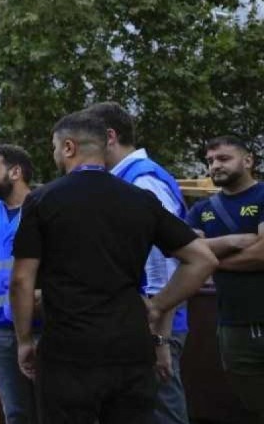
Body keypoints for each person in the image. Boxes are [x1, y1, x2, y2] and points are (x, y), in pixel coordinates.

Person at [9, 112, 217, 424]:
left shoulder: (42, 201)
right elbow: (202, 258)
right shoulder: (140, 199)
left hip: (68, 350)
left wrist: (24, 340)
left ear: (68, 147)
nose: (53, 155)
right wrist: (158, 305)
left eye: (54, 147)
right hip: (129, 348)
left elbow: (22, 281)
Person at [86, 102, 191, 424]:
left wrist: (157, 330)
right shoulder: (128, 179)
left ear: (110, 137)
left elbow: (163, 263)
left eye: (87, 142)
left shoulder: (142, 181)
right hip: (142, 320)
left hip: (153, 323)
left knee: (160, 411)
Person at [185, 135, 264, 419]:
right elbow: (184, 251)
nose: (214, 166)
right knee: (253, 405)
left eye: (223, 159)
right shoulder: (201, 210)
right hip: (233, 325)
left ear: (248, 161)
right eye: (209, 161)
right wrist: (234, 241)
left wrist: (211, 261)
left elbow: (261, 255)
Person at [0, 144, 38, 424]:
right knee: (14, 413)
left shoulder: (44, 209)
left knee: (53, 411)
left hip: (42, 328)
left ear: (15, 172)